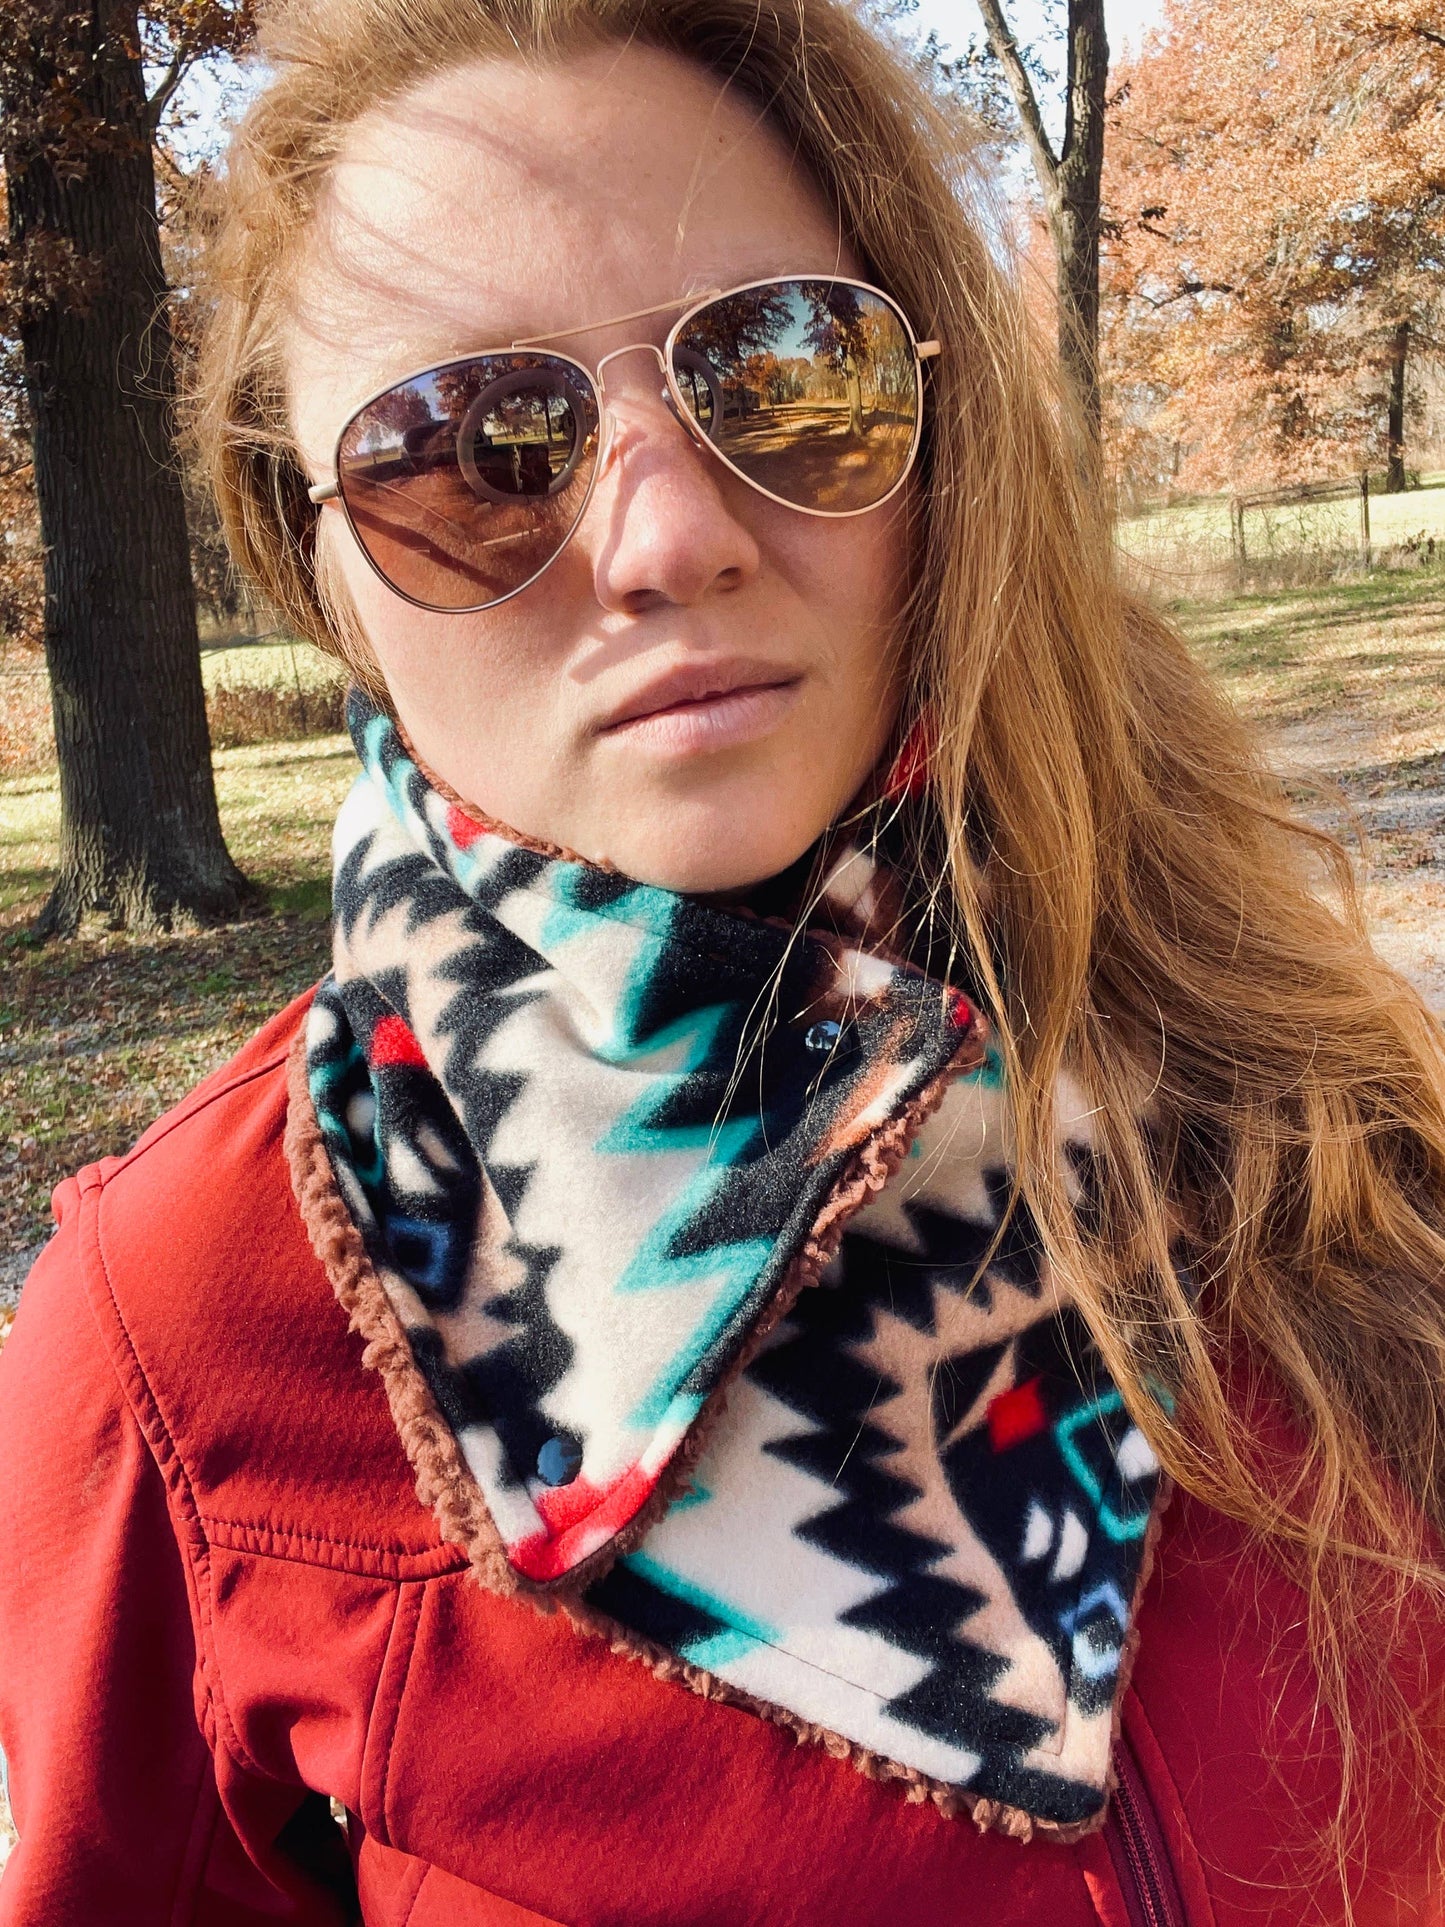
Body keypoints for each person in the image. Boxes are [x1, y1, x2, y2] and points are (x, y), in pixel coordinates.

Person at [1, 0, 1443, 1920]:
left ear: (938, 436)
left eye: (786, 373)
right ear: (314, 553)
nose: (668, 536)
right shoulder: (180, 1321)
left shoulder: (1289, 1064)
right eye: (471, 453)